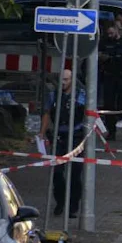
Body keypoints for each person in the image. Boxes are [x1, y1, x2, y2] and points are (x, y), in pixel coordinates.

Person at [40, 70, 86, 217]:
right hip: (59, 136)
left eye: (66, 80)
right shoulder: (53, 96)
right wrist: (42, 132)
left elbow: (88, 113)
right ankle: (60, 202)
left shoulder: (80, 95)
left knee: (75, 174)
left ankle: (73, 207)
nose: (63, 83)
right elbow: (47, 113)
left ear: (72, 80)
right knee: (58, 173)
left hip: (76, 137)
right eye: (61, 80)